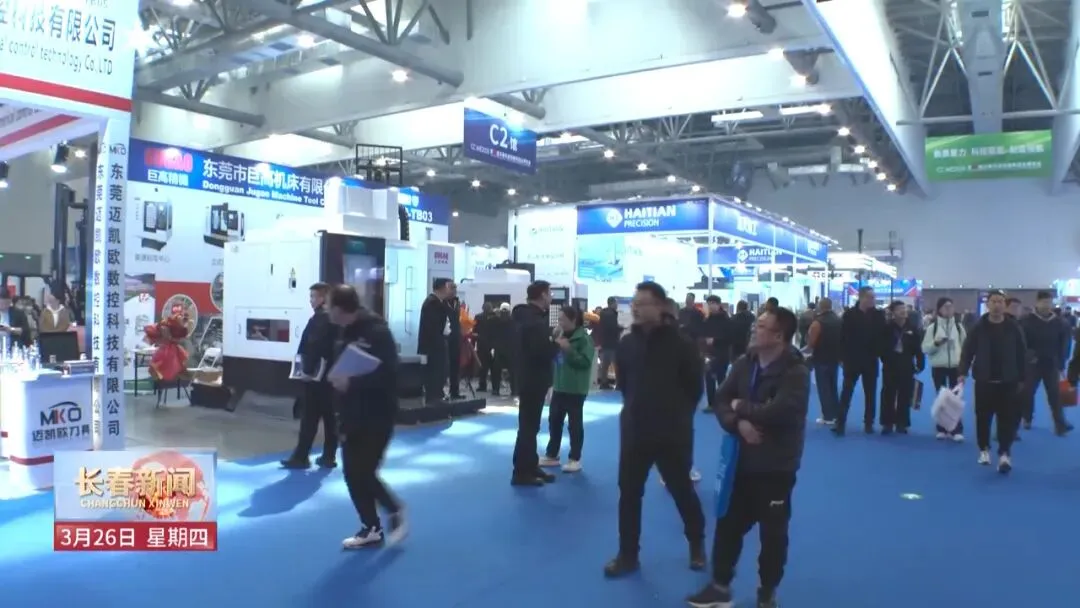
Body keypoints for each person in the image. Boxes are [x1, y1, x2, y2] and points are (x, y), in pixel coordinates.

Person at [687, 306, 809, 608]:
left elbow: (780, 412)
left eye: (762, 326)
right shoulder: (745, 363)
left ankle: (767, 592)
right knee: (727, 525)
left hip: (776, 467)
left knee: (773, 534)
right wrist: (737, 422)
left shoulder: (796, 372)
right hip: (740, 462)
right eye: (756, 323)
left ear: (779, 336)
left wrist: (741, 407)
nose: (754, 329)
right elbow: (721, 400)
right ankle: (720, 586)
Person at [605, 281, 706, 578]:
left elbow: (694, 388)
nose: (636, 308)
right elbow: (625, 385)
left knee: (681, 490)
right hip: (634, 430)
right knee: (629, 494)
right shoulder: (627, 344)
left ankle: (697, 543)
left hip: (671, 433)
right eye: (634, 302)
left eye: (643, 303)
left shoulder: (682, 344)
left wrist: (676, 416)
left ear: (660, 307)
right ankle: (628, 554)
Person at [325, 285, 406, 548]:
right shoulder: (343, 332)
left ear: (339, 308)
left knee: (364, 470)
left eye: (328, 305)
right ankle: (371, 527)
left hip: (377, 414)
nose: (326, 310)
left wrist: (353, 383)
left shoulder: (377, 332)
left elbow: (389, 374)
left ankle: (393, 509)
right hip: (350, 412)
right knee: (352, 472)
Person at [958, 290, 1027, 473]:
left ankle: (1005, 453)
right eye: (993, 301)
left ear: (1005, 305)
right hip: (984, 380)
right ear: (987, 305)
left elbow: (1021, 353)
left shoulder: (1013, 327)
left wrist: (1022, 377)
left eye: (1000, 302)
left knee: (1007, 419)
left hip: (1008, 381)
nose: (997, 305)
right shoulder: (978, 327)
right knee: (983, 418)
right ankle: (984, 449)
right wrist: (962, 372)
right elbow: (967, 351)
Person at [282, 283, 338, 469]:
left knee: (309, 417)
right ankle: (329, 456)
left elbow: (314, 346)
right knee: (330, 417)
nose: (311, 300)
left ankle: (301, 456)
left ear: (323, 298)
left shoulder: (320, 319)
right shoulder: (334, 318)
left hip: (316, 377)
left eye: (314, 296)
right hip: (330, 375)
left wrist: (306, 371)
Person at [510, 281, 561, 486]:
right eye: (549, 293)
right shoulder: (534, 322)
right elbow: (541, 351)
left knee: (530, 426)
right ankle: (522, 472)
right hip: (533, 378)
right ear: (542, 295)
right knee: (529, 427)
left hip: (528, 377)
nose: (551, 297)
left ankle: (530, 465)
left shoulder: (526, 317)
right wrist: (556, 345)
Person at [539, 306, 595, 473]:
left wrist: (568, 350)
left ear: (573, 320)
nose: (559, 322)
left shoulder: (584, 339)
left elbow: (585, 362)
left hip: (576, 388)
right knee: (554, 421)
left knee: (574, 424)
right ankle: (552, 454)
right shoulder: (560, 336)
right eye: (559, 319)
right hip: (559, 386)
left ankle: (574, 458)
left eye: (562, 319)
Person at [1018, 290, 1072, 436]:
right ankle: (1027, 417)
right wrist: (1028, 356)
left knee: (1055, 395)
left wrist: (1062, 362)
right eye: (1044, 302)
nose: (1047, 305)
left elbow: (1065, 344)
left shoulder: (1060, 322)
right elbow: (1021, 342)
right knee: (1028, 393)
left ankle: (1060, 425)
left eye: (1049, 302)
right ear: (1037, 303)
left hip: (1052, 364)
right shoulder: (1026, 321)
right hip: (1032, 364)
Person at [835, 286, 887, 436]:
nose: (873, 300)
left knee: (870, 394)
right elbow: (842, 337)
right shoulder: (849, 314)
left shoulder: (878, 315)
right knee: (846, 392)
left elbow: (883, 336)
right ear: (862, 297)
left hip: (871, 359)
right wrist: (841, 357)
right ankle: (840, 422)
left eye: (874, 297)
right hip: (852, 359)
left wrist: (880, 353)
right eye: (870, 297)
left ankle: (869, 423)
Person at [922, 297, 966, 441]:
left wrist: (965, 367)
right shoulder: (932, 328)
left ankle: (956, 430)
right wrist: (936, 344)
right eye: (945, 307)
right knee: (941, 399)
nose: (948, 309)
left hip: (956, 367)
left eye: (950, 306)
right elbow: (925, 348)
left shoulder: (959, 327)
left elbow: (966, 348)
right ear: (939, 309)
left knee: (955, 400)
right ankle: (942, 428)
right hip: (938, 367)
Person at [879, 301, 924, 434]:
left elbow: (918, 348)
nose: (903, 311)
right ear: (893, 313)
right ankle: (887, 423)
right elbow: (881, 347)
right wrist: (885, 358)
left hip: (907, 365)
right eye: (899, 309)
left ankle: (902, 423)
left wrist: (920, 363)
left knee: (905, 394)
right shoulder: (887, 328)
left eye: (904, 308)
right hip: (890, 365)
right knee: (888, 394)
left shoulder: (912, 328)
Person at [806, 297, 842, 426]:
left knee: (823, 387)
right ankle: (836, 413)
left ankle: (827, 416)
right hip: (834, 358)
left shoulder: (818, 322)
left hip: (821, 358)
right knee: (833, 387)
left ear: (820, 306)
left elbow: (811, 342)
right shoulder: (838, 320)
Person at [417, 278, 452, 404]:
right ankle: (434, 398)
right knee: (435, 372)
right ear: (441, 288)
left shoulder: (439, 303)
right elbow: (432, 327)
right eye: (447, 287)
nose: (449, 290)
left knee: (440, 371)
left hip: (437, 344)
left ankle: (437, 395)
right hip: (433, 346)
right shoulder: (432, 304)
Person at [703, 295, 732, 414]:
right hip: (710, 354)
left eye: (712, 303)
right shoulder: (708, 319)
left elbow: (730, 337)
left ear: (719, 304)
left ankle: (722, 403)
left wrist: (715, 340)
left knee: (721, 379)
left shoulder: (726, 320)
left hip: (722, 353)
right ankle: (711, 403)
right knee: (708, 377)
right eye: (709, 304)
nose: (710, 306)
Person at [597, 297, 623, 389]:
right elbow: (613, 328)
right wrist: (621, 328)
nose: (617, 305)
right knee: (617, 364)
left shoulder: (603, 313)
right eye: (616, 303)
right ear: (612, 303)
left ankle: (603, 383)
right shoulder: (612, 314)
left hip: (605, 342)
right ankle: (619, 384)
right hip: (613, 343)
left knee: (605, 365)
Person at [490, 303, 516, 396]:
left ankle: (496, 389)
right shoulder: (513, 321)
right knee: (513, 371)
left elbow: (492, 334)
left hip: (499, 349)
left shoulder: (495, 321)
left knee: (496, 371)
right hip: (510, 349)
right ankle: (514, 389)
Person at [445, 282, 463, 399]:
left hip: (456, 337)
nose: (454, 291)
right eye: (452, 288)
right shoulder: (442, 302)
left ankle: (455, 391)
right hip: (446, 337)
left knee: (455, 365)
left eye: (455, 289)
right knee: (445, 365)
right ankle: (442, 392)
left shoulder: (457, 302)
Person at [473, 302, 497, 392]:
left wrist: (475, 342)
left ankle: (482, 386)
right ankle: (495, 387)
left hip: (482, 344)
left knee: (483, 367)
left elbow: (475, 330)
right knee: (494, 367)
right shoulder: (495, 317)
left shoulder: (478, 317)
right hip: (493, 345)